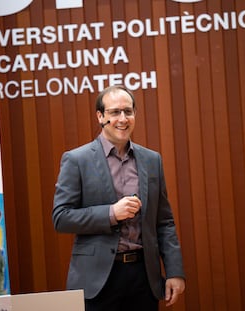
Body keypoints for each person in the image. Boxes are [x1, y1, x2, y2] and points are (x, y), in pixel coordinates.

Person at [52, 85, 186, 311]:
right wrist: (111, 213)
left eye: (128, 111)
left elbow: (164, 222)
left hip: (144, 278)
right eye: (115, 112)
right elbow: (61, 218)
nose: (122, 119)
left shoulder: (152, 160)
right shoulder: (77, 160)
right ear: (100, 116)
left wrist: (174, 271)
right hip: (97, 280)